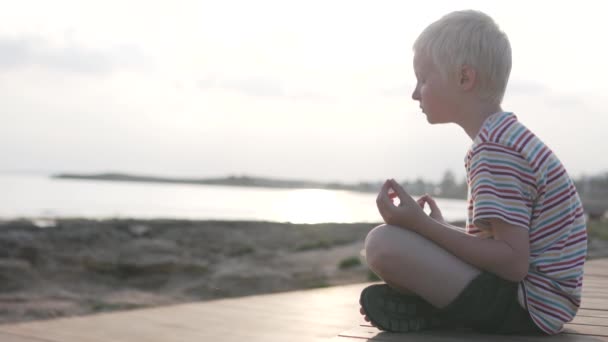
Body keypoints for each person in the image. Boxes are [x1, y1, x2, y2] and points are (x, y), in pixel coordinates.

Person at [359, 10, 587, 335]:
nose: (415, 92)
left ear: (464, 78)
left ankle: (436, 311)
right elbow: (508, 249)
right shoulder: (504, 138)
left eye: (423, 79)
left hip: (528, 308)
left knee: (382, 244)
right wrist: (440, 228)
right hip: (535, 299)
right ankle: (435, 307)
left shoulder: (495, 149)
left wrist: (423, 226)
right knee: (398, 240)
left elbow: (512, 263)